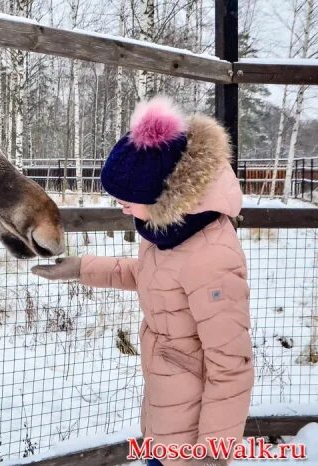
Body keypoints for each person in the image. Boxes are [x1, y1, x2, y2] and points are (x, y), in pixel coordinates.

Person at [32, 97, 254, 466]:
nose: (120, 204)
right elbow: (155, 278)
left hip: (190, 439)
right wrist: (81, 267)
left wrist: (212, 455)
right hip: (167, 410)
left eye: (127, 198)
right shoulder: (168, 232)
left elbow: (232, 367)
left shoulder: (212, 257)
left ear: (164, 194)